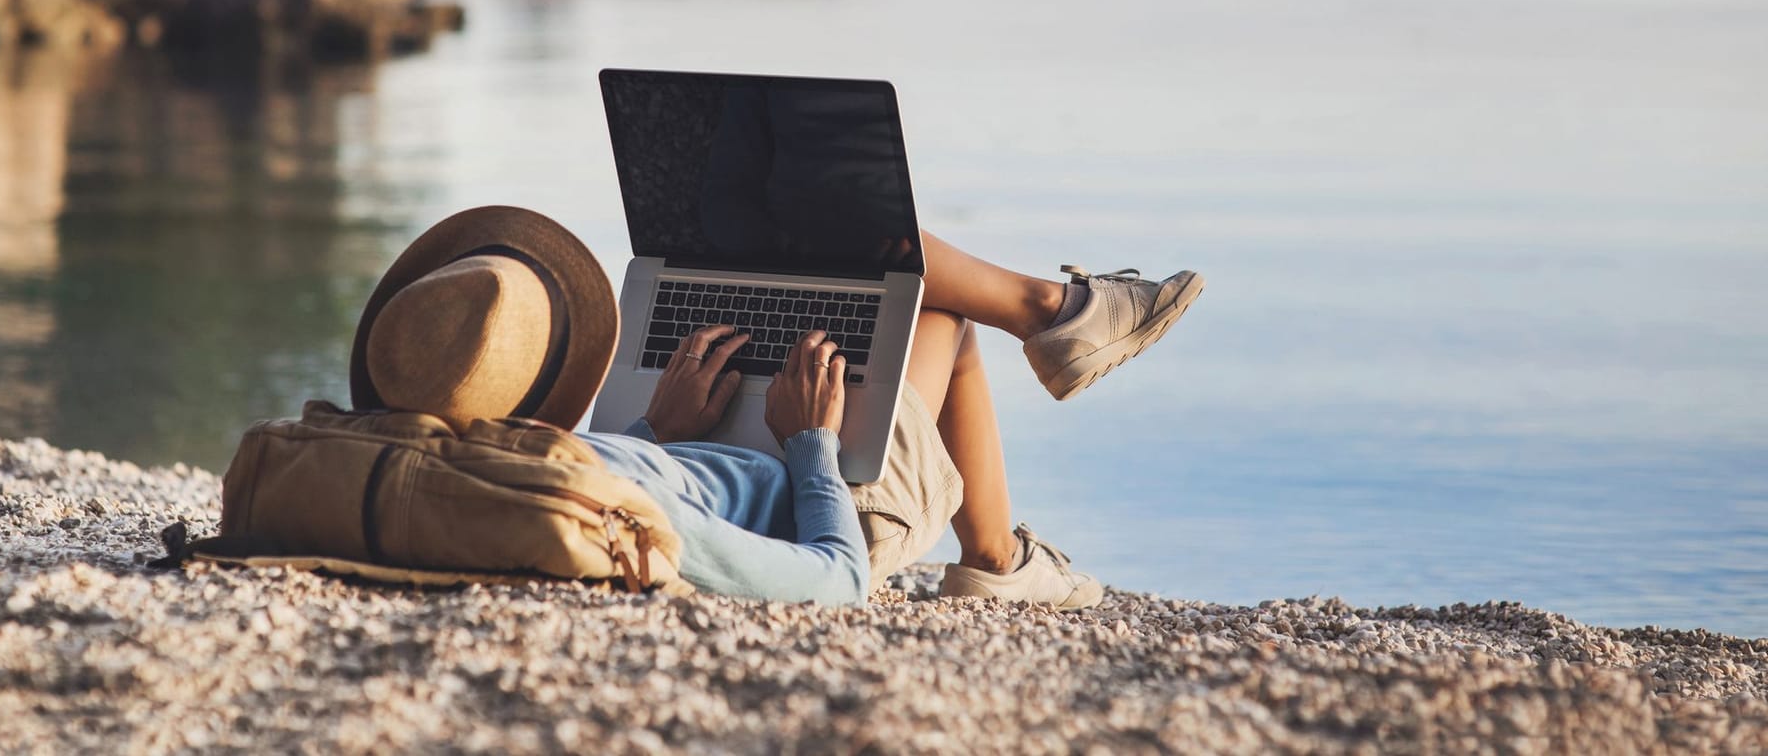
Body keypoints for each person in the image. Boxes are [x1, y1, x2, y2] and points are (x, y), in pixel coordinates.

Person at [350, 207, 1202, 609]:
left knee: (853, 244)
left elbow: (615, 470)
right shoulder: (601, 502)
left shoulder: (470, 467)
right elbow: (834, 581)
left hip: (700, 447)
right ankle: (999, 555)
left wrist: (656, 433)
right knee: (927, 300)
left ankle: (1056, 318)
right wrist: (811, 442)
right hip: (831, 508)